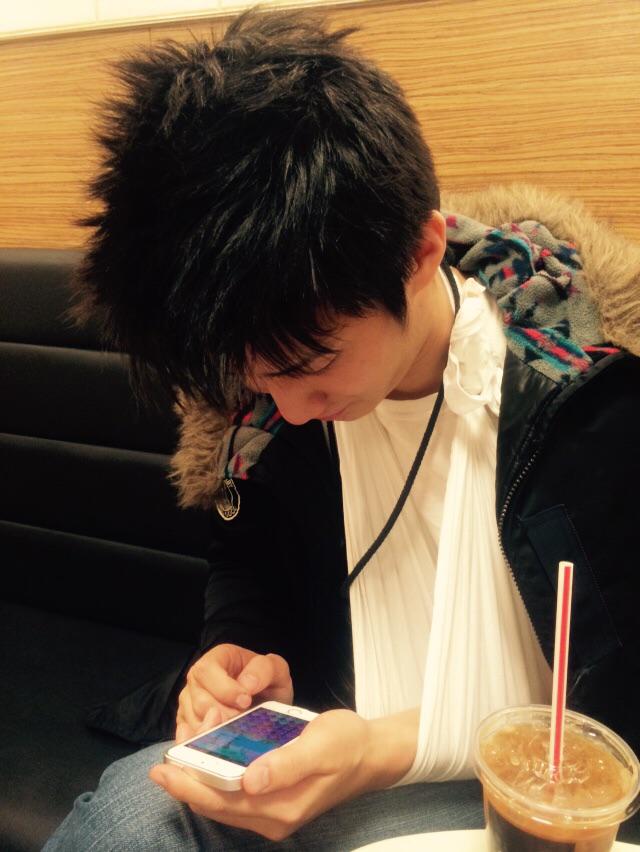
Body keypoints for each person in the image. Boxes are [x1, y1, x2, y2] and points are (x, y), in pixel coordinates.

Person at [44, 8, 640, 850]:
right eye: (257, 378)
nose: (285, 409)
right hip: (335, 736)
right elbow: (249, 562)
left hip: (541, 788)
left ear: (419, 253)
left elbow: (612, 714)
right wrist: (242, 657)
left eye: (309, 364)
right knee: (126, 821)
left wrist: (380, 751)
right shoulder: (265, 408)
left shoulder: (588, 406)